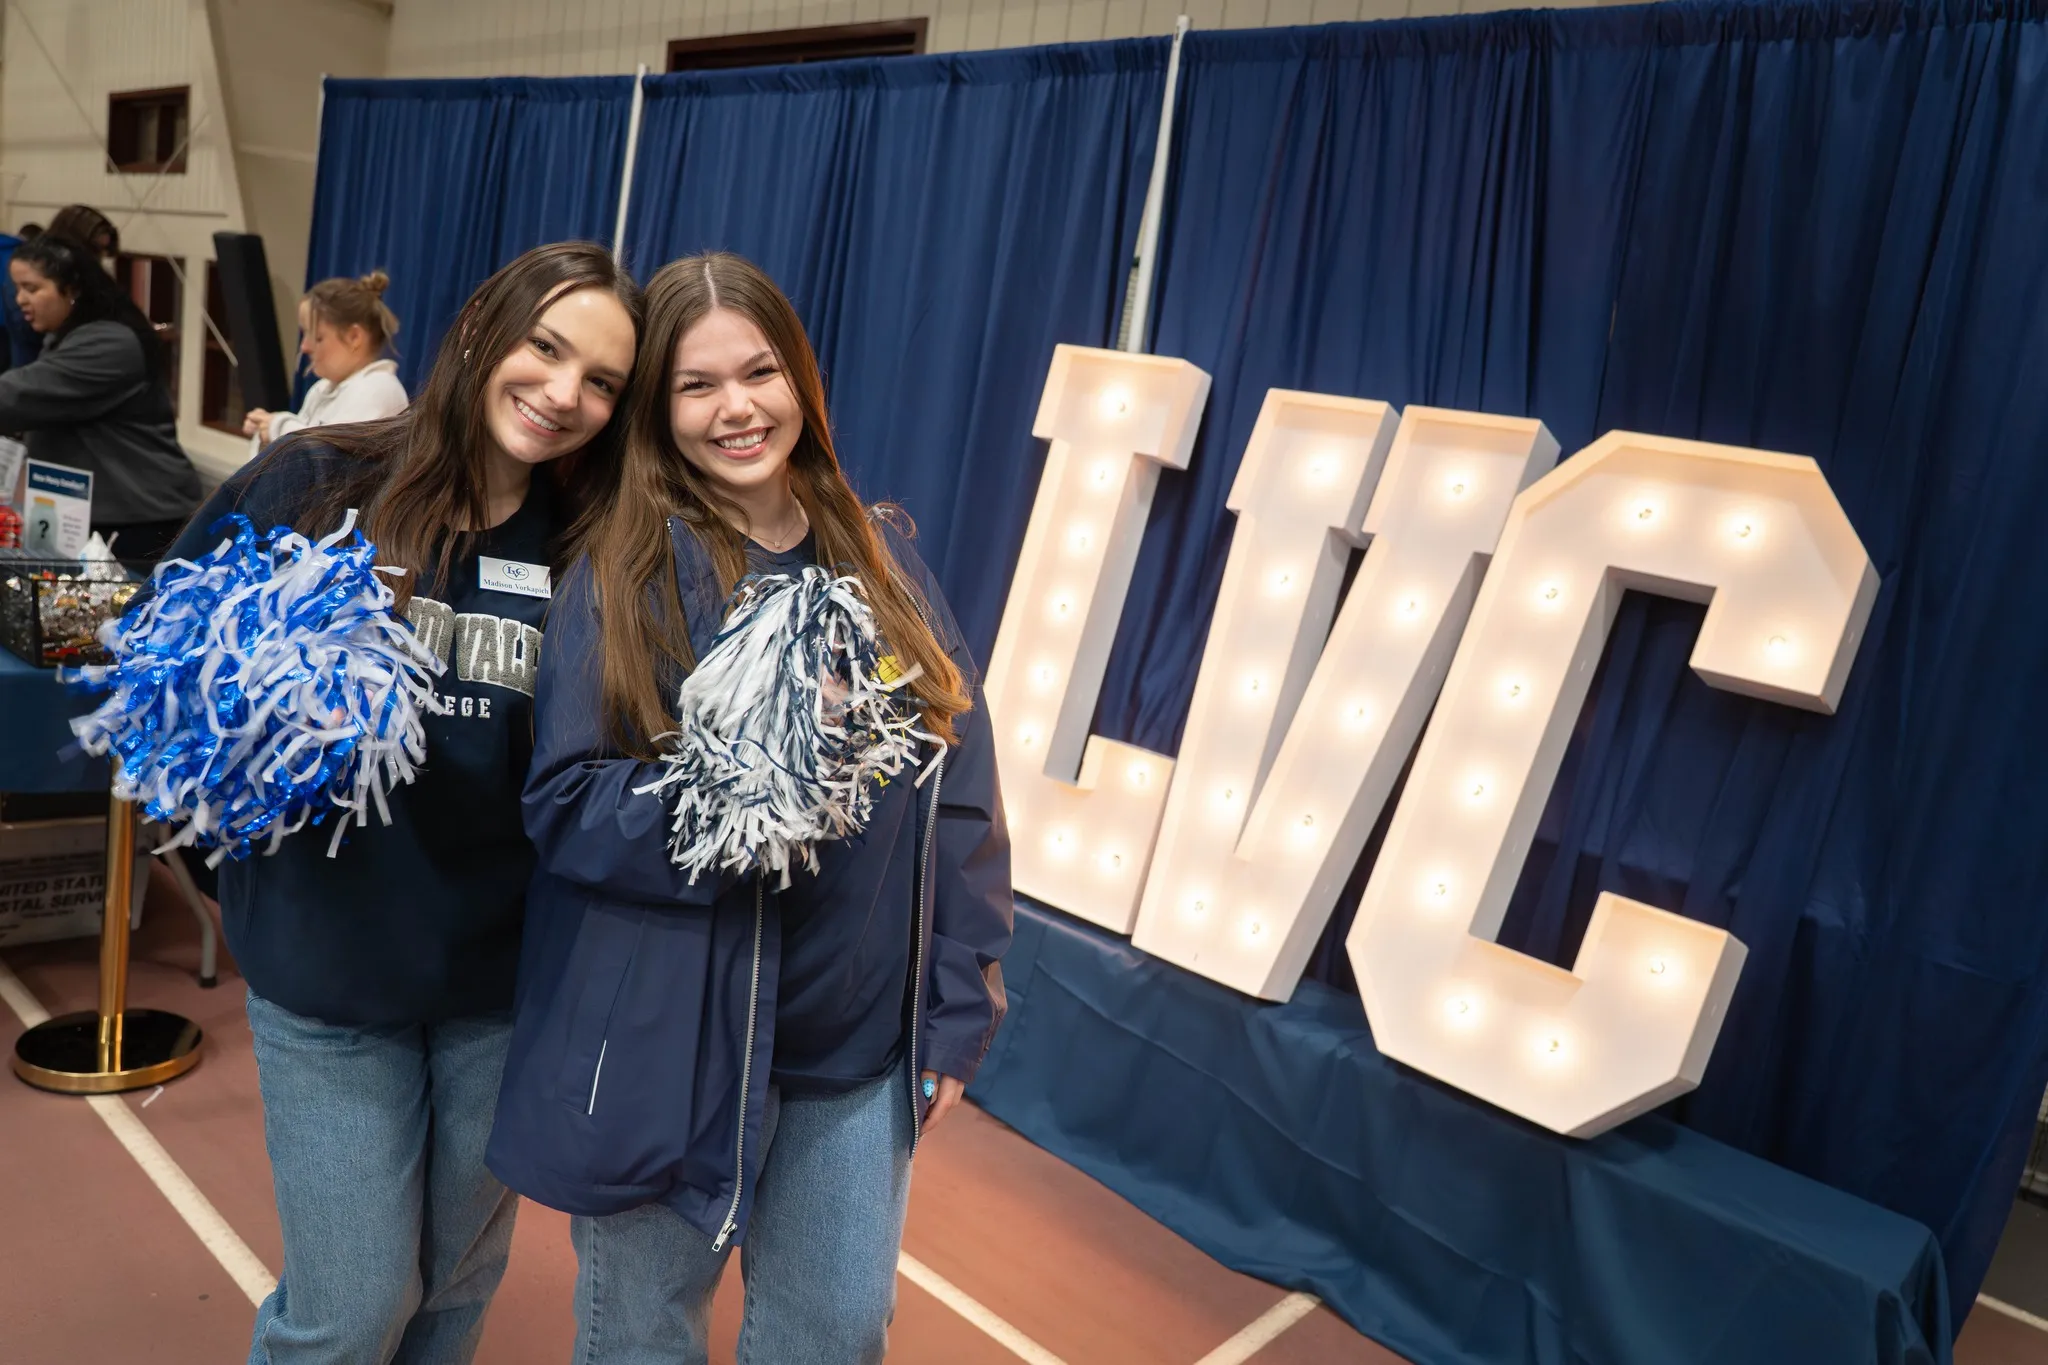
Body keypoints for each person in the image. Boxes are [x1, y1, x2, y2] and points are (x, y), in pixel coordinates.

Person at [486, 251, 1014, 1363]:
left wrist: (958, 1002)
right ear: (658, 413)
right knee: (640, 1334)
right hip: (670, 1051)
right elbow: (568, 804)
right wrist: (745, 788)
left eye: (759, 371)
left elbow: (955, 791)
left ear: (800, 383)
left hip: (851, 1052)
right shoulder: (620, 575)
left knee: (834, 1332)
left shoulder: (882, 558)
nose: (736, 407)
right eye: (695, 384)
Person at [155, 240, 642, 1365]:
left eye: (603, 380)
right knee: (354, 1309)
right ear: (481, 333)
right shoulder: (316, 477)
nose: (565, 392)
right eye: (546, 347)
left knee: (455, 1294)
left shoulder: (590, 542)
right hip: (331, 979)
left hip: (504, 990)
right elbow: (163, 663)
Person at [0, 231, 200, 570]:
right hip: (92, 512)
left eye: (32, 288)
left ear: (73, 289)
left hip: (138, 521)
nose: (19, 299)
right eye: (17, 288)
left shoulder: (109, 343)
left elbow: (15, 398)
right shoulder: (65, 338)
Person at [244, 270, 408, 444]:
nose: (305, 347)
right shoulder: (320, 389)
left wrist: (277, 427)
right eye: (305, 335)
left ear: (354, 337)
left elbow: (331, 458)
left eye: (318, 337)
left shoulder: (379, 390)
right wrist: (264, 432)